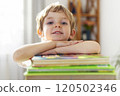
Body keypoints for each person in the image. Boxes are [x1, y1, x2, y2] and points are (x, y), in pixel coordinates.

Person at [13, 3, 100, 67]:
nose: (57, 25)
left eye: (63, 23)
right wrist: (54, 44)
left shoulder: (72, 46)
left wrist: (56, 50)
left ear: (72, 33)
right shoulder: (36, 51)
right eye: (50, 22)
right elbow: (17, 55)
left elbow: (96, 47)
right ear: (41, 32)